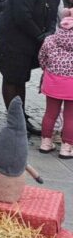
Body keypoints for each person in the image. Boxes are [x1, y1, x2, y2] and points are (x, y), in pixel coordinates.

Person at [0, 0, 73, 135]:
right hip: (13, 41)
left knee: (21, 79)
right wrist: (40, 35)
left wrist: (50, 33)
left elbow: (52, 15)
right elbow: (22, 15)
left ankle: (19, 116)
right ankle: (15, 120)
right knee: (12, 78)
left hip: (30, 42)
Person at [38, 11, 73, 158]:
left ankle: (45, 142)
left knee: (50, 113)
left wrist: (48, 70)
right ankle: (67, 147)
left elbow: (42, 58)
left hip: (53, 81)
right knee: (70, 116)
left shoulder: (50, 40)